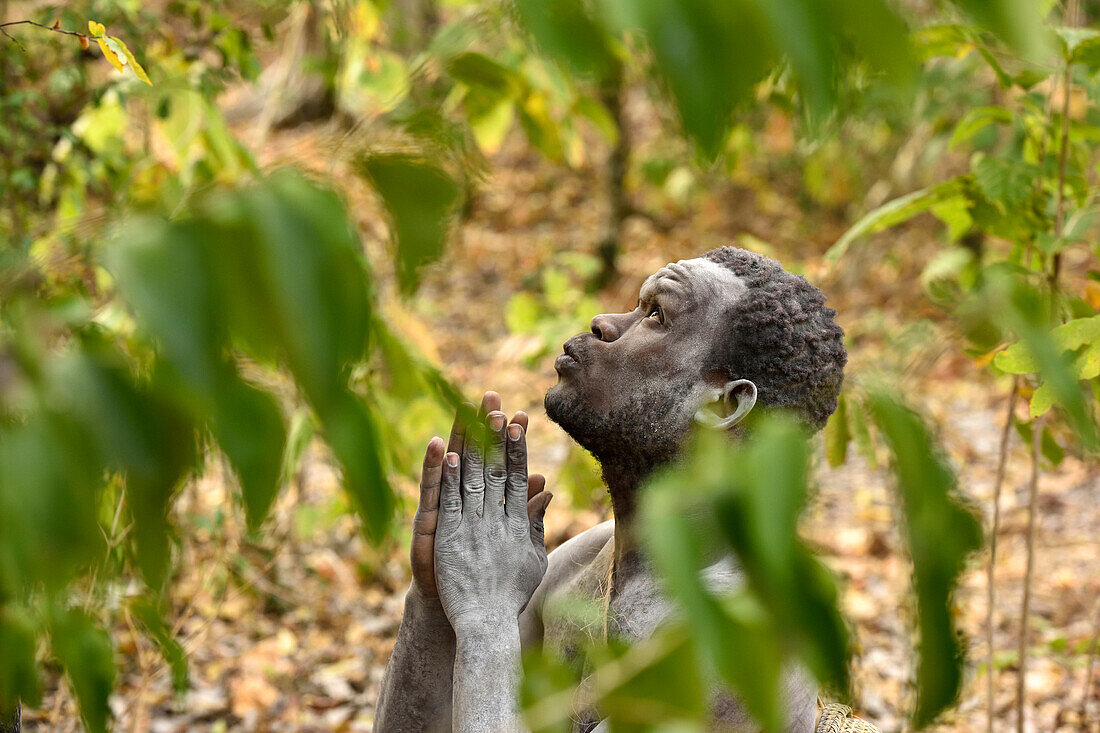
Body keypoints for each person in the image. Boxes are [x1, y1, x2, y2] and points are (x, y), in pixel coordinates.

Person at [374, 246, 848, 732]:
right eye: (635, 305)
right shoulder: (578, 566)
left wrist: (486, 620)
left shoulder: (739, 638)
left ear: (723, 404)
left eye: (657, 315)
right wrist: (434, 601)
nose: (603, 322)